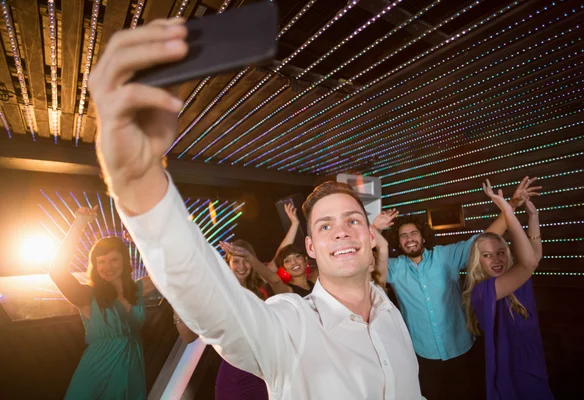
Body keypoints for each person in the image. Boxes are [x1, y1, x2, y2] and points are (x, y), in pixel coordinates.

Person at [88, 17, 422, 398]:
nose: (342, 229)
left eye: (352, 220)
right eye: (325, 225)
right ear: (310, 248)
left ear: (369, 235)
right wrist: (136, 180)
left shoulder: (389, 314)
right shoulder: (289, 326)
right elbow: (213, 303)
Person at [373, 177, 541, 399]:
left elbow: (485, 239)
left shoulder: (445, 255)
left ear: (423, 237)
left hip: (461, 347)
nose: (409, 238)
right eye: (403, 235)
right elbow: (369, 267)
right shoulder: (393, 268)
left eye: (414, 233)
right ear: (398, 242)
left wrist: (512, 204)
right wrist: (374, 228)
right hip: (423, 354)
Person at [48, 206, 157, 399]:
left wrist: (144, 242)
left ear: (125, 261)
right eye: (101, 261)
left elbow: (170, 271)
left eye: (114, 260)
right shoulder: (86, 295)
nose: (107, 267)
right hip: (96, 377)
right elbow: (56, 271)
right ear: (94, 265)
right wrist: (79, 223)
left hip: (132, 373)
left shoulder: (137, 290)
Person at [463, 180, 553, 399]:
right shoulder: (482, 292)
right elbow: (529, 263)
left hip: (534, 359)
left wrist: (533, 216)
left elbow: (534, 257)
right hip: (511, 369)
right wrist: (508, 210)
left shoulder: (517, 276)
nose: (496, 260)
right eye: (487, 255)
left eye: (501, 252)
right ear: (478, 262)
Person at [175, 239, 269, 400]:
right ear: (228, 263)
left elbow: (275, 270)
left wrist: (295, 224)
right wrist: (177, 302)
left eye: (246, 261)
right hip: (236, 376)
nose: (242, 267)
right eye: (236, 261)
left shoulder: (260, 291)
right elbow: (188, 337)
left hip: (266, 372)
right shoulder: (218, 295)